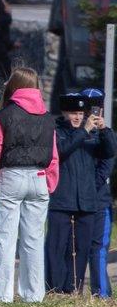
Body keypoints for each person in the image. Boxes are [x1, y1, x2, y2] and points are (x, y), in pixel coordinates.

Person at [0, 67, 58, 303]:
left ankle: (2, 294)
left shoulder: (3, 115)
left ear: (13, 86)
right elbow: (54, 155)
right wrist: (49, 182)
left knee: (4, 238)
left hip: (11, 176)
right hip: (39, 178)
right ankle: (34, 294)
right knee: (34, 240)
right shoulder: (48, 118)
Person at [45, 93, 116, 294]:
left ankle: (73, 289)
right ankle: (55, 289)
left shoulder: (92, 133)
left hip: (86, 201)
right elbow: (61, 151)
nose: (77, 117)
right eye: (72, 113)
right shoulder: (57, 131)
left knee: (82, 249)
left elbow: (110, 152)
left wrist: (103, 130)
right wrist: (83, 131)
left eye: (80, 113)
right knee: (57, 247)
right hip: (61, 199)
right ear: (64, 113)